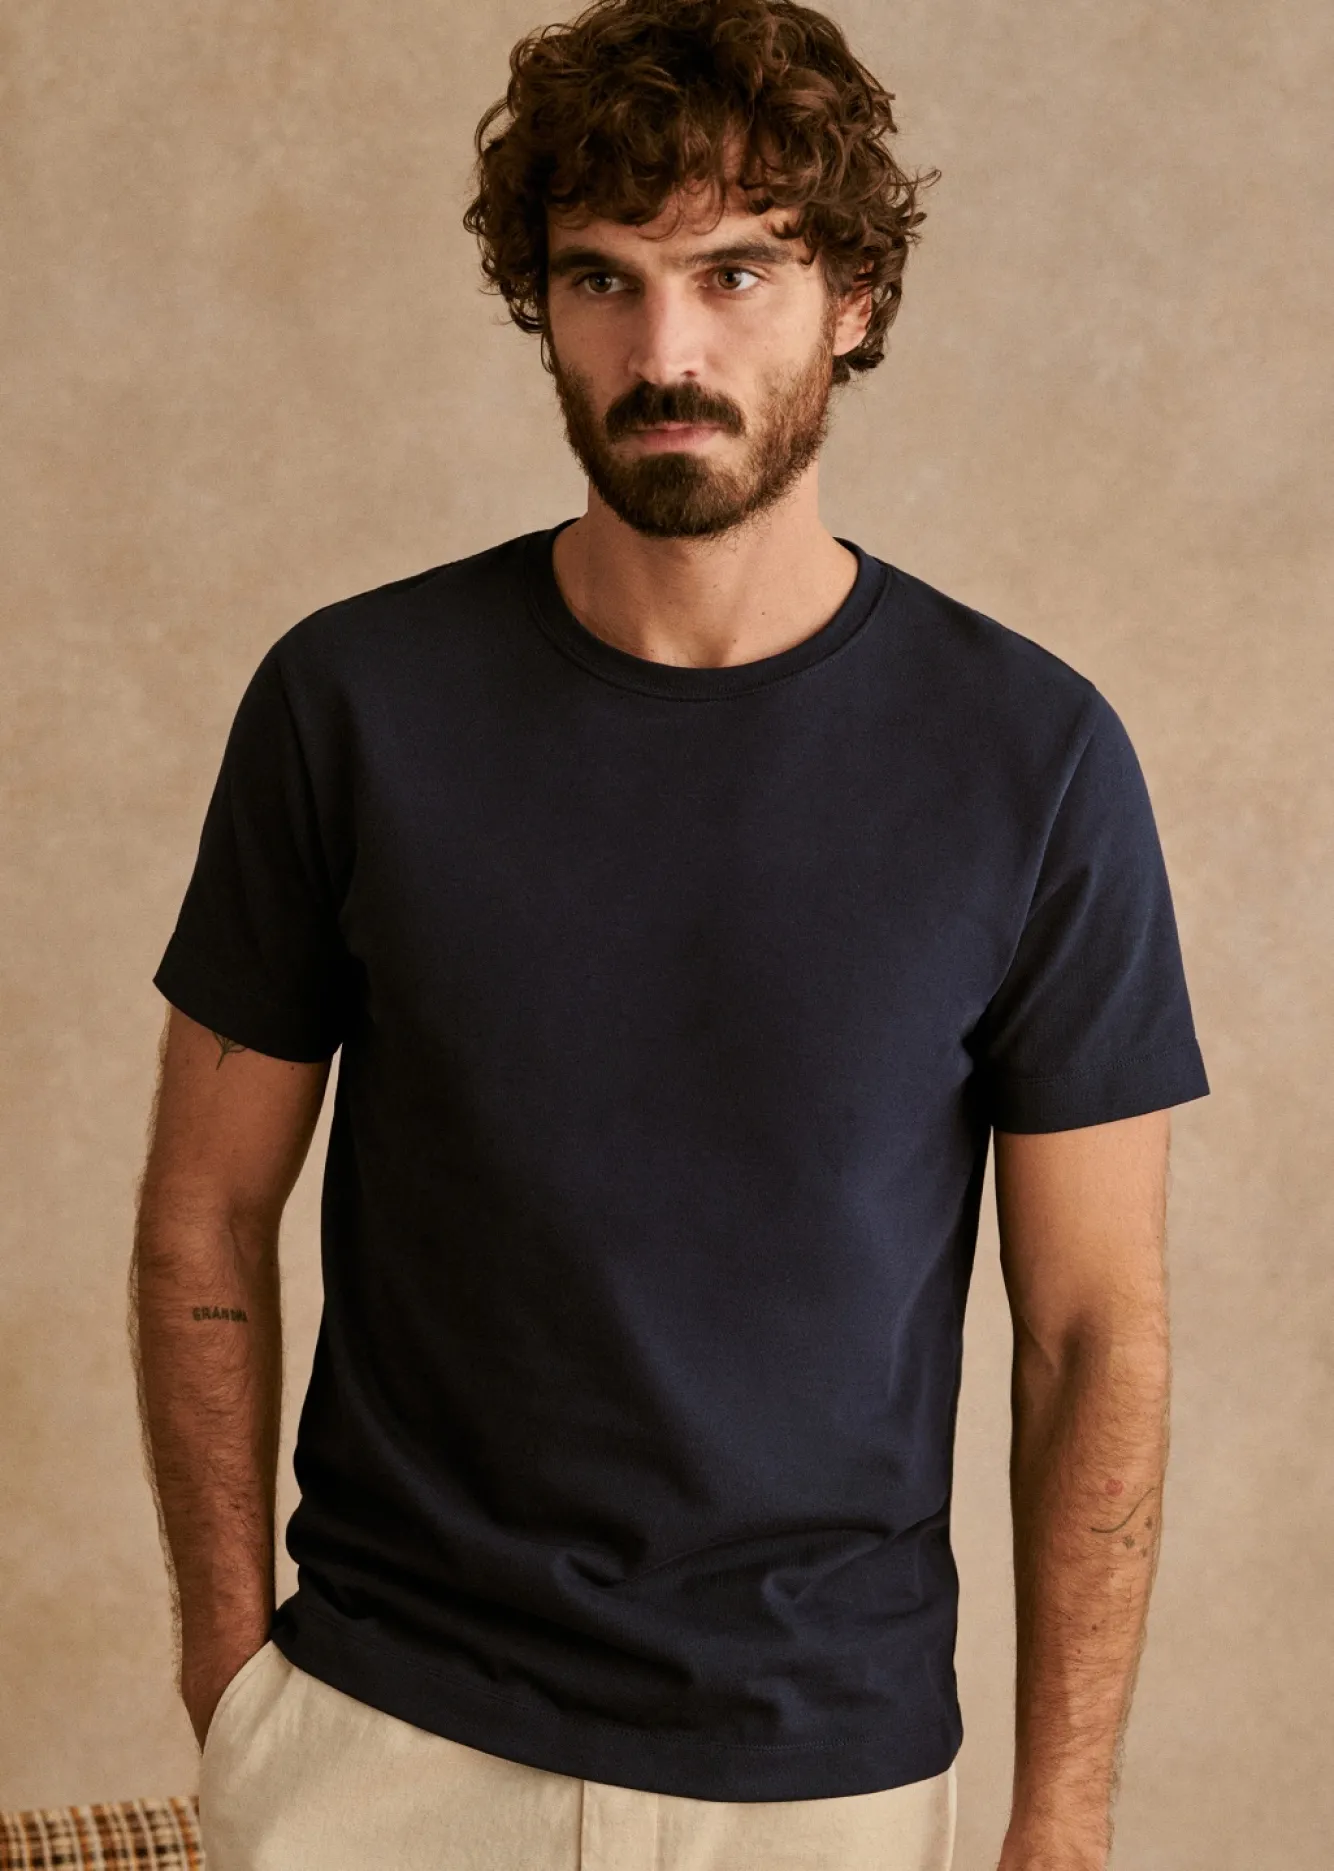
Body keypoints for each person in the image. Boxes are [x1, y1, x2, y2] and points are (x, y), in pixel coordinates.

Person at [129, 1, 1210, 1867]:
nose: (665, 352)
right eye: (602, 280)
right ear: (539, 307)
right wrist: (234, 1684)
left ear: (853, 298)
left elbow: (1092, 1332)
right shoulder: (351, 702)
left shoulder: (1031, 758)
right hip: (378, 1745)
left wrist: (1063, 1814)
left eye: (735, 272)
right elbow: (202, 1211)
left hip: (822, 1773)